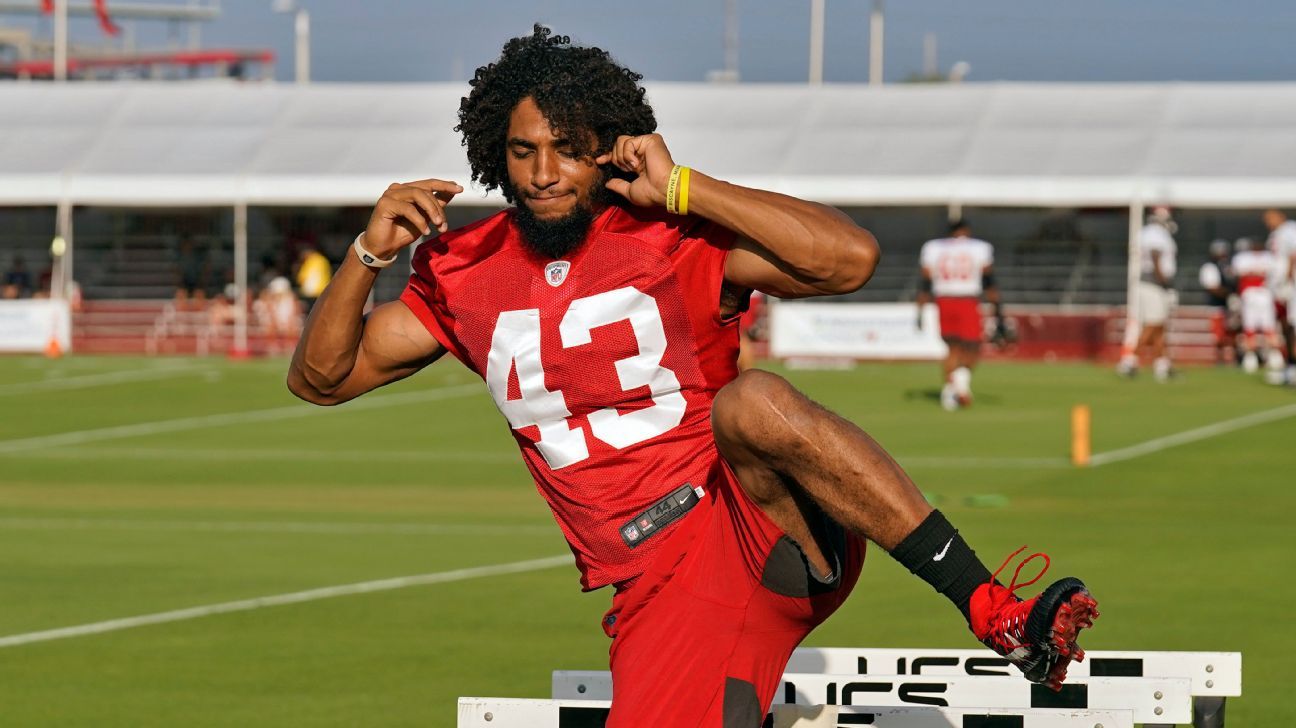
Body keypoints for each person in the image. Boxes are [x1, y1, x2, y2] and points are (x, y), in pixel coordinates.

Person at [287, 27, 1096, 727]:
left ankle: (994, 608)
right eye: (523, 150)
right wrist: (368, 255)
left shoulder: (669, 232)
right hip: (654, 585)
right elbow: (321, 379)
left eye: (567, 148)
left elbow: (850, 260)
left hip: (752, 517)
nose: (543, 172)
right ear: (494, 151)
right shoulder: (463, 271)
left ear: (607, 145)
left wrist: (685, 186)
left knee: (753, 403)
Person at [915, 220, 1004, 411]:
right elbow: (989, 279)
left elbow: (925, 281)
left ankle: (950, 390)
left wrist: (920, 310)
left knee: (952, 347)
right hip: (967, 299)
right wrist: (998, 309)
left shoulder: (933, 247)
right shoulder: (979, 247)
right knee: (972, 346)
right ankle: (961, 386)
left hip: (943, 299)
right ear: (966, 231)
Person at [1117, 206, 1178, 381]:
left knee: (1159, 326)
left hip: (1151, 282)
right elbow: (1156, 257)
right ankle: (1129, 360)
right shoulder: (1155, 234)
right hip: (1153, 283)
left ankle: (1161, 365)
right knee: (1153, 323)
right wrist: (1165, 284)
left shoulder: (1149, 233)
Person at [1231, 237, 1284, 375]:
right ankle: (1250, 357)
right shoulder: (1242, 257)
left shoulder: (1269, 257)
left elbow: (1272, 274)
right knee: (1250, 326)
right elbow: (1240, 273)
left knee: (1269, 326)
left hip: (1265, 294)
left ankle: (1274, 355)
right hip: (1249, 294)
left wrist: (1253, 273)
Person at [1264, 209, 1296, 385]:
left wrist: (1288, 278)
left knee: (1291, 325)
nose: (1268, 222)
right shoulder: (1277, 234)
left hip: (1289, 286)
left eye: (1270, 218)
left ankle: (1292, 368)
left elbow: (1293, 253)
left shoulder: (1289, 230)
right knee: (1285, 326)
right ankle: (1290, 366)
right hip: (1280, 287)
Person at [1198, 239, 1238, 366]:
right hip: (1216, 306)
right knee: (1219, 334)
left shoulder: (1227, 267)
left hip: (1229, 306)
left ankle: (1233, 357)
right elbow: (1212, 287)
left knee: (1232, 333)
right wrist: (1229, 295)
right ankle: (1219, 358)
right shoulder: (1210, 267)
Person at [294, 244, 332, 313]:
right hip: (322, 293)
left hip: (310, 294)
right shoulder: (323, 260)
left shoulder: (309, 262)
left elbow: (301, 279)